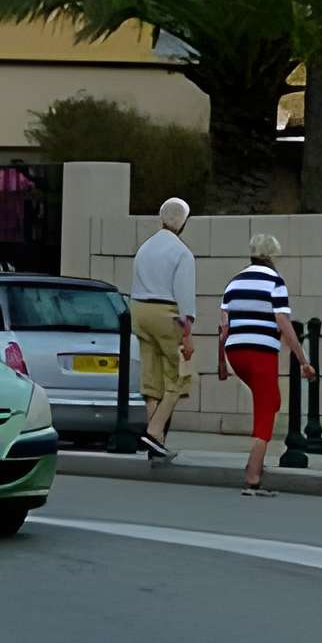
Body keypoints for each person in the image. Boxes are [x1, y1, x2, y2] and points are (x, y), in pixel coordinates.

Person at [215, 231, 311, 495]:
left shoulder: (233, 283)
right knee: (267, 409)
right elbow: (283, 322)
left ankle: (254, 464)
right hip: (261, 352)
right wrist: (302, 359)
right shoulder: (275, 282)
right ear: (272, 256)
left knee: (271, 400)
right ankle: (253, 474)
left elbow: (224, 326)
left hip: (236, 353)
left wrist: (221, 363)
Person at [128, 196, 199, 462]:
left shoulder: (145, 248)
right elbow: (185, 297)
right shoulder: (182, 252)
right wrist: (187, 334)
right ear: (184, 223)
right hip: (166, 313)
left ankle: (156, 443)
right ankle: (154, 431)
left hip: (140, 310)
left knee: (152, 377)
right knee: (181, 375)